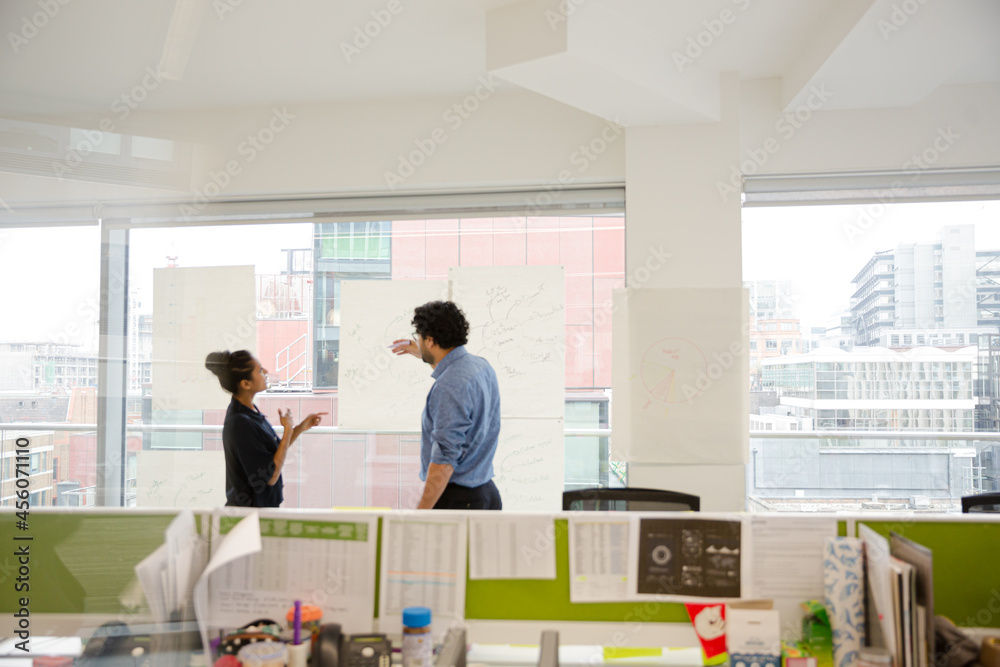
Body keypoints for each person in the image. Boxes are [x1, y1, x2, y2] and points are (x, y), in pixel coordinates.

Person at [391, 301, 502, 510]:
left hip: (458, 500)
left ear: (431, 341)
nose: (419, 342)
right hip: (485, 493)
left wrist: (422, 512)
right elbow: (453, 374)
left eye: (420, 338)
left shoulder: (450, 385)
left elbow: (444, 459)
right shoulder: (481, 366)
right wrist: (422, 353)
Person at [205, 350, 327, 507]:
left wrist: (299, 428)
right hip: (249, 511)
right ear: (246, 384)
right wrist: (288, 430)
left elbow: (275, 454)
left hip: (261, 508)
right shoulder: (240, 422)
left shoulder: (250, 412)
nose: (266, 372)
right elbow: (270, 476)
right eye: (260, 370)